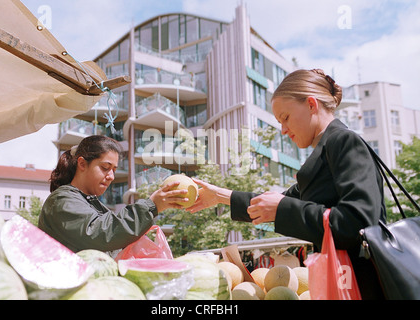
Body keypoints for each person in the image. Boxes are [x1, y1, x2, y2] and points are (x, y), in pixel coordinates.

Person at [187, 69, 386, 299]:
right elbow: (280, 201)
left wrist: (282, 208)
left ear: (311, 104)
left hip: (361, 286)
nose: (283, 130)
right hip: (344, 282)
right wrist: (220, 196)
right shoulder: (324, 155)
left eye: (286, 117)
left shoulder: (344, 141)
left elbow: (359, 221)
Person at [38, 135, 188, 255]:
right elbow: (101, 233)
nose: (111, 176)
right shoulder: (62, 200)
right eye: (105, 168)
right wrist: (151, 206)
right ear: (82, 164)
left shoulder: (89, 201)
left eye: (114, 170)